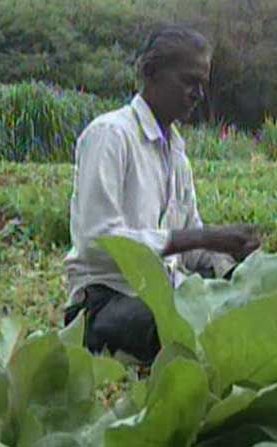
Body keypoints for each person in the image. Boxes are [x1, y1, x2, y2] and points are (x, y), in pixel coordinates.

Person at [63, 25, 260, 364]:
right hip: (105, 302)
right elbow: (97, 241)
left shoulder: (176, 153)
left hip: (169, 295)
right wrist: (202, 237)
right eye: (188, 81)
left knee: (244, 305)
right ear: (150, 74)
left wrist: (235, 260)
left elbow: (193, 250)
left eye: (202, 84)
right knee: (180, 328)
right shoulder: (111, 135)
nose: (197, 94)